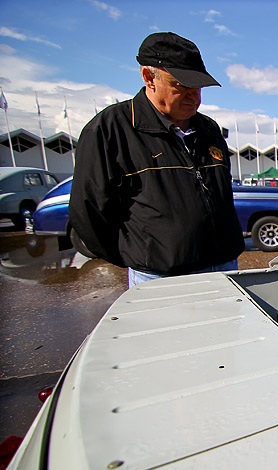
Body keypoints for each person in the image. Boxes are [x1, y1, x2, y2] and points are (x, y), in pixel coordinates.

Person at [70, 32, 244, 287]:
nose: (193, 96)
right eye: (181, 86)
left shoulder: (209, 129)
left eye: (198, 87)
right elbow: (88, 211)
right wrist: (140, 255)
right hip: (159, 277)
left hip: (224, 268)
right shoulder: (110, 129)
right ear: (149, 77)